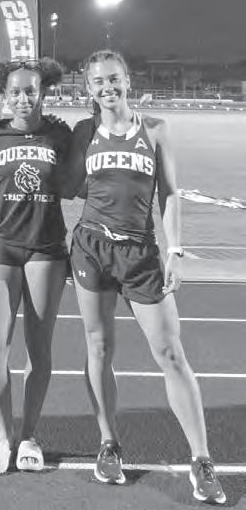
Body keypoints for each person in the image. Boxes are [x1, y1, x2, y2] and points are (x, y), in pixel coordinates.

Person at [63, 49, 226, 504]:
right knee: (98, 347)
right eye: (98, 81)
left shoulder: (154, 129)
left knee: (171, 353)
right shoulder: (83, 131)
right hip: (92, 249)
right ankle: (109, 444)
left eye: (113, 79)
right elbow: (70, 187)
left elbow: (170, 194)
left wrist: (175, 251)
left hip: (140, 253)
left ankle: (201, 460)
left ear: (127, 80)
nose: (107, 87)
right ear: (88, 88)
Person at [0, 58, 71, 474]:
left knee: (39, 348)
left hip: (46, 248)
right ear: (4, 94)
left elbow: (75, 182)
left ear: (42, 92)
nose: (22, 98)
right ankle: (2, 436)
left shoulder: (59, 134)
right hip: (2, 246)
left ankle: (29, 435)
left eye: (30, 90)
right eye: (14, 91)